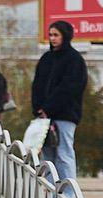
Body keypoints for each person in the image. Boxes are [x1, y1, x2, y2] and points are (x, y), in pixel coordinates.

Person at [31, 19, 87, 184]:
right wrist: (38, 109)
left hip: (65, 115)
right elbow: (37, 86)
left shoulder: (74, 60)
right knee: (47, 156)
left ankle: (69, 194)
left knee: (64, 153)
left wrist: (49, 107)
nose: (53, 38)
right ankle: (50, 195)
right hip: (44, 117)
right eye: (50, 35)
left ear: (66, 36)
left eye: (56, 35)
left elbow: (70, 89)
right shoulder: (46, 59)